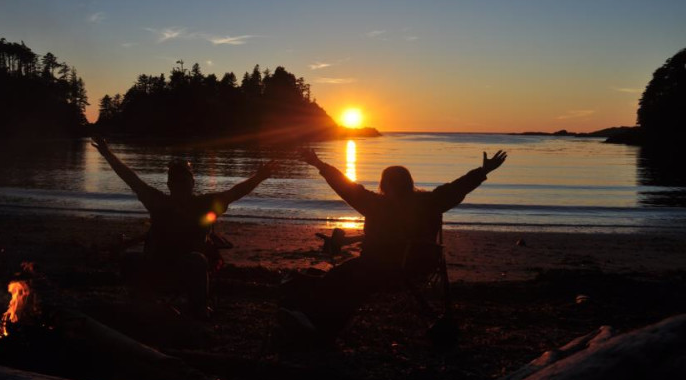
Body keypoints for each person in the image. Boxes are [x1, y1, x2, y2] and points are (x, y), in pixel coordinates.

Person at [281, 148, 507, 342]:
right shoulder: (430, 202)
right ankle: (318, 323)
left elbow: (344, 186)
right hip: (422, 267)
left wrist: (318, 163)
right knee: (346, 279)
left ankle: (321, 326)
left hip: (383, 268)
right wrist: (483, 171)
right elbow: (458, 187)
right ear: (409, 183)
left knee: (339, 278)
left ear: (384, 185)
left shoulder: (376, 204)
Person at [91, 136, 276, 318]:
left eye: (183, 180)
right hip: (157, 267)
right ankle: (145, 303)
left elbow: (235, 193)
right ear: (169, 184)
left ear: (192, 183)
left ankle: (198, 309)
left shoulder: (205, 204)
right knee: (130, 260)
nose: (179, 184)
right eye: (175, 180)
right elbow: (131, 179)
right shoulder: (158, 202)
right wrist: (108, 154)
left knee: (196, 260)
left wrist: (258, 178)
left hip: (187, 270)